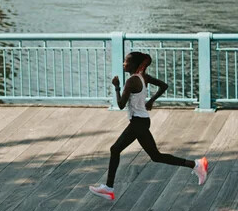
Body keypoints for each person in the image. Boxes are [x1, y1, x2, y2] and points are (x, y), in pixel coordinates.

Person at [89, 51, 208, 201]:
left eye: (126, 62)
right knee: (156, 156)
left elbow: (120, 105)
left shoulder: (131, 81)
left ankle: (108, 188)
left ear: (134, 65)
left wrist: (117, 87)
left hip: (138, 123)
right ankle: (196, 164)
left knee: (115, 149)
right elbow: (164, 86)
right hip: (142, 121)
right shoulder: (143, 77)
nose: (124, 64)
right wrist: (151, 101)